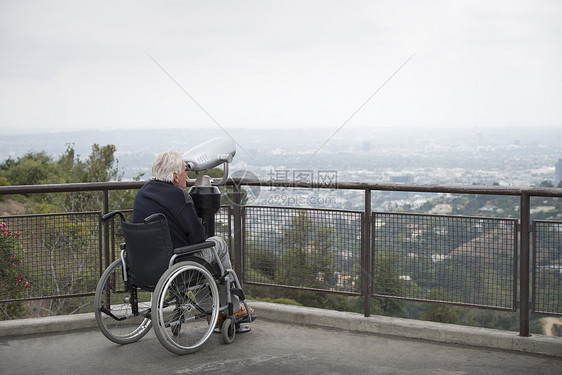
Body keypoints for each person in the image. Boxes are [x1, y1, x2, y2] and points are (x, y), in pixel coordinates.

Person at [132, 150, 253, 321]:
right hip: (174, 269)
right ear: (175, 176)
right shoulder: (179, 196)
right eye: (184, 170)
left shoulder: (143, 193)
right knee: (216, 245)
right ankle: (233, 306)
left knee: (193, 256)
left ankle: (212, 311)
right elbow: (198, 238)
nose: (186, 174)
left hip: (143, 268)